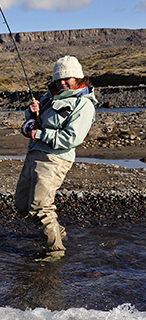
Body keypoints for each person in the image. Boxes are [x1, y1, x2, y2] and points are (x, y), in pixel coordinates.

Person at [15, 55, 97, 260]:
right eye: (58, 79)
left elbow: (72, 138)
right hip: (34, 154)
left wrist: (41, 134)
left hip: (55, 159)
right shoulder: (49, 98)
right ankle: (58, 233)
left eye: (66, 78)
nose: (62, 82)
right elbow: (35, 121)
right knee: (21, 204)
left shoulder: (83, 104)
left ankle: (55, 253)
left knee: (40, 207)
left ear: (78, 77)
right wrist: (31, 113)